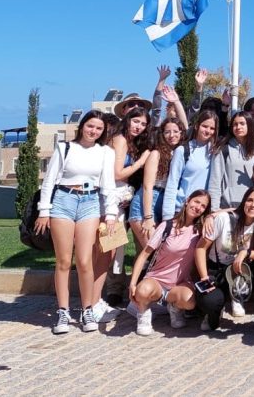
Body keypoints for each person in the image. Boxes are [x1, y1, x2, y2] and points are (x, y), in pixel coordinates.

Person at [34, 111, 117, 335]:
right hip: (63, 200)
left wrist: (110, 214)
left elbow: (108, 185)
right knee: (63, 260)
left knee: (84, 260)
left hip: (91, 202)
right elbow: (49, 181)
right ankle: (63, 311)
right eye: (90, 126)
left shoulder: (106, 152)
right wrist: (44, 210)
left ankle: (87, 309)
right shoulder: (65, 148)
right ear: (82, 126)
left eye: (99, 128)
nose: (94, 131)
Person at [92, 104, 153, 323]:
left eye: (143, 124)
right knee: (108, 251)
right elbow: (117, 173)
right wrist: (141, 161)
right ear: (127, 118)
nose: (139, 127)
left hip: (125, 201)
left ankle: (108, 297)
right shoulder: (119, 140)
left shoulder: (134, 142)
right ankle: (97, 300)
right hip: (112, 202)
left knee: (121, 250)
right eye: (136, 121)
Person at [194, 186, 254, 333]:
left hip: (244, 273)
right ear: (243, 201)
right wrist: (204, 278)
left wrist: (247, 253)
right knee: (210, 302)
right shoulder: (224, 219)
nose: (253, 205)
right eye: (250, 200)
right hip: (220, 270)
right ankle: (213, 315)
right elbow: (200, 248)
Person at [128, 189, 211, 335]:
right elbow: (143, 255)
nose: (198, 207)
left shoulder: (200, 231)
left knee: (189, 301)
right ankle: (144, 313)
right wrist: (133, 283)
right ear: (187, 201)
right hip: (157, 280)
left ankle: (174, 308)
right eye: (196, 202)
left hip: (180, 283)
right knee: (142, 290)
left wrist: (212, 216)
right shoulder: (167, 226)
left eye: (203, 206)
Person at [129, 117, 183, 255]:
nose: (172, 135)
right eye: (167, 132)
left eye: (176, 131)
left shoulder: (180, 152)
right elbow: (147, 187)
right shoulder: (156, 154)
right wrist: (148, 217)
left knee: (162, 251)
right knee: (155, 252)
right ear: (162, 135)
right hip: (147, 204)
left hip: (166, 202)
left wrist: (176, 102)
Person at [162, 110, 219, 220]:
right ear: (197, 126)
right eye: (204, 126)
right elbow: (172, 183)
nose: (208, 131)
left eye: (212, 128)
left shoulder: (216, 152)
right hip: (182, 210)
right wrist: (167, 217)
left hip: (204, 212)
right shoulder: (183, 150)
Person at [208, 111, 254, 210]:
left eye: (242, 124)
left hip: (251, 206)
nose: (238, 127)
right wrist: (213, 209)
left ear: (249, 125)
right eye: (235, 124)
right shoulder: (223, 149)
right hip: (227, 206)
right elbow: (215, 181)